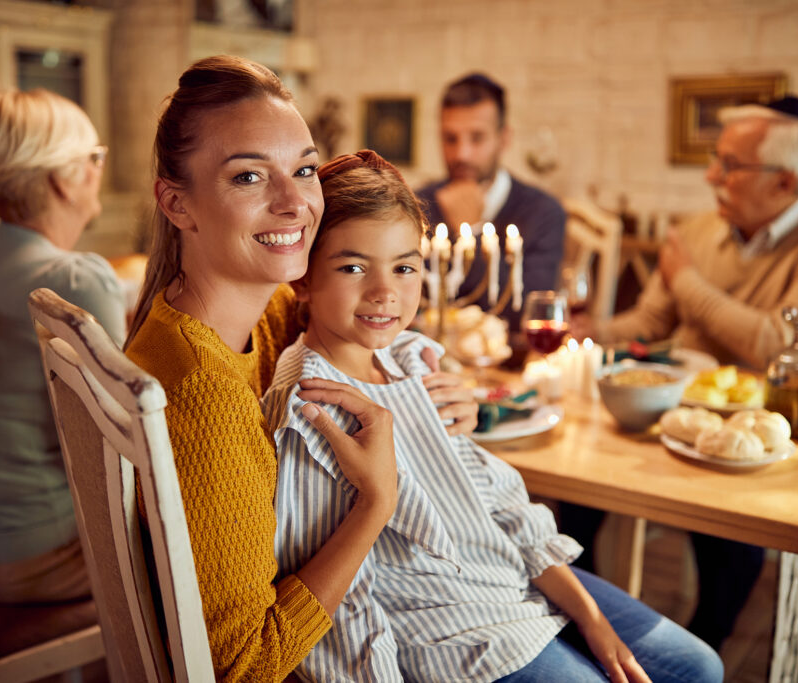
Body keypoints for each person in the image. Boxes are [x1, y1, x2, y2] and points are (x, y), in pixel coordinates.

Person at [262, 149, 723, 682]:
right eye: (353, 267)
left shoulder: (412, 359)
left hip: (505, 577)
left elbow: (497, 505)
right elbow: (337, 605)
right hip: (455, 632)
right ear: (302, 279)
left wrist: (590, 617)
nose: (385, 293)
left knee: (697, 666)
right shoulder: (313, 409)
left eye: (405, 267)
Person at [123, 56, 476, 681]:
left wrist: (434, 385)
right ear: (177, 203)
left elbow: (360, 318)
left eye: (305, 170)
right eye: (249, 177)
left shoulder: (243, 314)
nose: (295, 204)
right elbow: (243, 666)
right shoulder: (203, 393)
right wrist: (376, 503)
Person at [569, 95, 798, 650]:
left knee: (730, 537)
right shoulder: (698, 230)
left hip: (758, 439)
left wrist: (688, 282)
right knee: (575, 486)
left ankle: (699, 649)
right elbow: (650, 321)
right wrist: (590, 330)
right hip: (670, 418)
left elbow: (781, 346)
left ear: (784, 181)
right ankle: (587, 627)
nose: (712, 175)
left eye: (730, 165)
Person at [0, 89, 125, 604]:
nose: (98, 170)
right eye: (95, 157)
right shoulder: (75, 280)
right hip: (43, 562)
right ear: (64, 178)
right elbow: (128, 442)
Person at [417, 73, 566, 330]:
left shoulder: (543, 212)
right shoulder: (419, 204)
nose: (461, 154)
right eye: (450, 138)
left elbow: (529, 315)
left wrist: (471, 231)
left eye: (477, 138)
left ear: (504, 138)